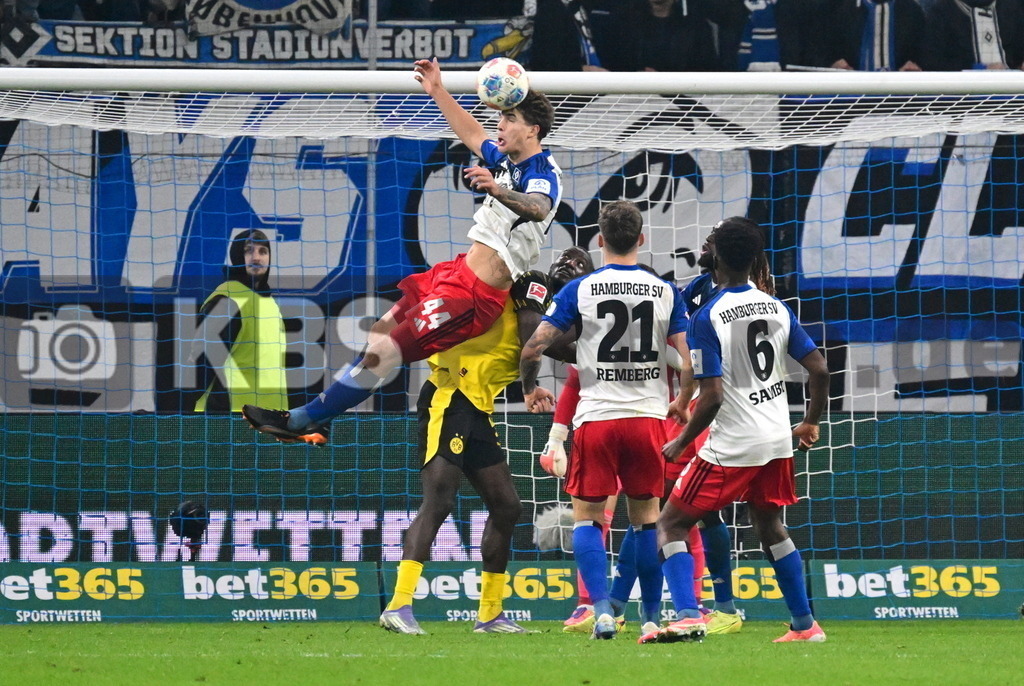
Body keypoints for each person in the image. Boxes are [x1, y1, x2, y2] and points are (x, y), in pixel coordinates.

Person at [241, 58, 559, 443]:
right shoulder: (506, 160)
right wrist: (437, 90)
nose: (500, 125)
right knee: (379, 332)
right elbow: (472, 132)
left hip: (474, 297)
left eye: (509, 119)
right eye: (501, 117)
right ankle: (323, 415)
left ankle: (301, 419)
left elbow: (538, 207)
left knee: (385, 353)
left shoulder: (542, 172)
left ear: (533, 130)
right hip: (455, 273)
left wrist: (496, 189)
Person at [380, 246, 594, 635]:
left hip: (477, 406)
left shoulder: (564, 315)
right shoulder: (535, 283)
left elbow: (561, 345)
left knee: (507, 506)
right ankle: (398, 605)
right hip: (450, 394)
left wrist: (591, 341)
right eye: (565, 257)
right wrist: (532, 387)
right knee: (439, 501)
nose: (570, 264)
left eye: (580, 264)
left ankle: (490, 614)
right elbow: (534, 339)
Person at [639, 216, 829, 645]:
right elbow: (819, 369)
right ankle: (805, 625)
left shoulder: (708, 315)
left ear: (719, 256)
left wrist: (681, 441)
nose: (705, 248)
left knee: (670, 524)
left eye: (710, 243)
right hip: (777, 439)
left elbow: (712, 396)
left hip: (734, 444)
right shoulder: (776, 306)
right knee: (771, 526)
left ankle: (687, 616)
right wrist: (811, 421)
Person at [520, 200, 693, 640]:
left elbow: (533, 347)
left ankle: (599, 610)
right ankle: (650, 617)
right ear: (641, 239)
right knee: (646, 522)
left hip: (597, 418)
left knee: (587, 520)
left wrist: (529, 389)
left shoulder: (580, 289)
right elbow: (689, 360)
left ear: (600, 240)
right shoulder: (665, 291)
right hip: (647, 420)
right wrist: (683, 399)